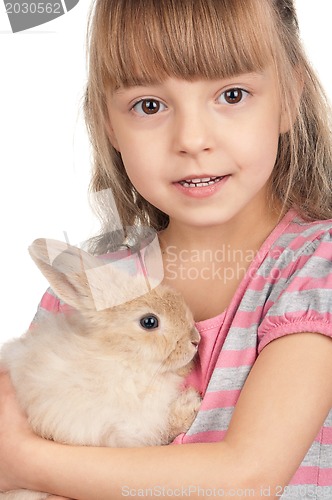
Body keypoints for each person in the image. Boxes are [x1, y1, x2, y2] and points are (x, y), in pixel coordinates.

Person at [1, 0, 332, 498]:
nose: (192, 139)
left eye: (232, 94)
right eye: (149, 105)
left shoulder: (314, 268)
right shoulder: (95, 282)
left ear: (289, 99)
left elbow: (250, 478)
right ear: (108, 123)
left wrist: (27, 464)